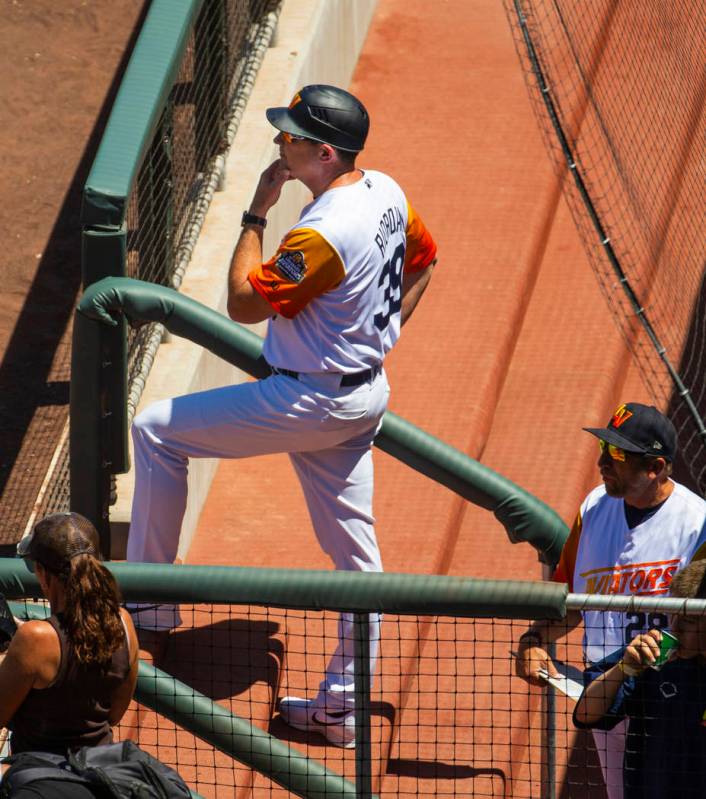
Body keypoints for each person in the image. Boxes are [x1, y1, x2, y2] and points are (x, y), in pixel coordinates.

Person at [126, 84, 438, 747]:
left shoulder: (322, 232)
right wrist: (379, 336)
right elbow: (425, 261)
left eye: (291, 138)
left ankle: (147, 607)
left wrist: (254, 212)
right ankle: (340, 709)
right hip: (361, 395)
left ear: (324, 153)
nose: (280, 144)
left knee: (157, 429)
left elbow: (243, 302)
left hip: (305, 402)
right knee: (360, 565)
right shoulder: (387, 191)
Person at [514, 402, 706, 799]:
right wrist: (533, 640)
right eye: (604, 448)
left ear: (654, 467)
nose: (603, 461)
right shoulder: (593, 510)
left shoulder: (697, 524)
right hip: (605, 689)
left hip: (668, 696)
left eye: (618, 454)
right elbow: (572, 602)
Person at [0, 512, 139, 798]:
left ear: (42, 573)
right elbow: (115, 712)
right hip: (102, 780)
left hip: (43, 786)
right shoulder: (123, 622)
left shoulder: (34, 639)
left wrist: (6, 654)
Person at [573, 558, 706, 798]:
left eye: (688, 619)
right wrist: (624, 667)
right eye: (672, 614)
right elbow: (585, 714)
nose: (673, 627)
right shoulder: (654, 654)